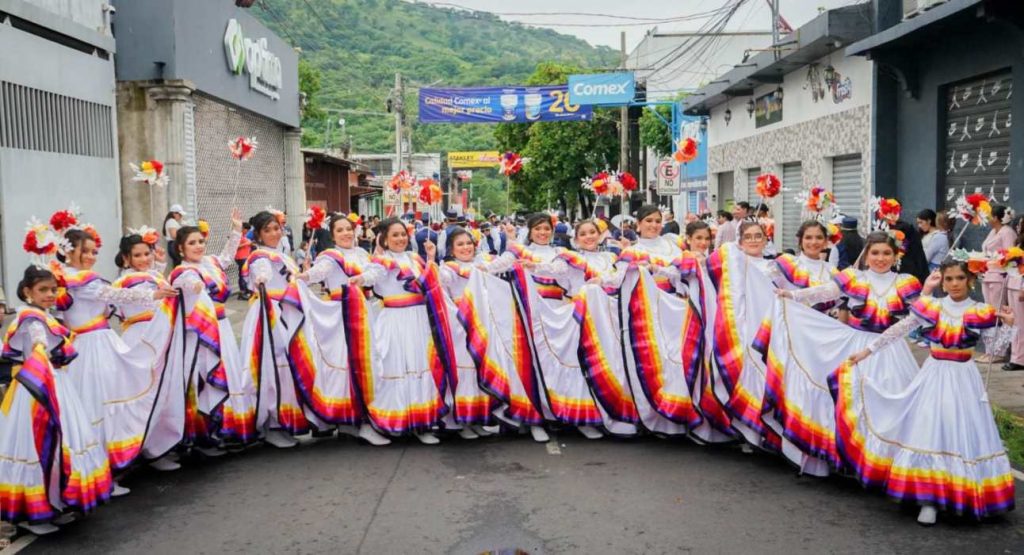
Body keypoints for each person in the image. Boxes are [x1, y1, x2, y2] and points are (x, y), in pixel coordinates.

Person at [842, 261, 1015, 525]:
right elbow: (898, 330)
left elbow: (994, 348)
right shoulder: (931, 307)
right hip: (933, 373)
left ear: (971, 280)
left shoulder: (981, 311)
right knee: (929, 427)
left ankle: (962, 492)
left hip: (964, 377)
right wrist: (868, 351)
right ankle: (928, 499)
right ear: (942, 282)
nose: (954, 283)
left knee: (961, 429)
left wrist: (1009, 326)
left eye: (960, 278)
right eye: (949, 279)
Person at [56, 227, 176, 493]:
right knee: (100, 406)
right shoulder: (79, 280)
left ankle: (108, 469)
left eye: (93, 251)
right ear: (68, 250)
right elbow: (115, 295)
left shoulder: (67, 277)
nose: (90, 256)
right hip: (91, 348)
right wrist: (152, 295)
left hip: (96, 343)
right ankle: (102, 475)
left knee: (104, 404)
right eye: (84, 251)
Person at [0, 266, 113, 535]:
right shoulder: (32, 320)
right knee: (41, 445)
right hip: (37, 389)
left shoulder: (45, 316)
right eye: (42, 290)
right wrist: (40, 347)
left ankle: (56, 502)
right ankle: (33, 514)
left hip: (56, 384)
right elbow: (38, 343)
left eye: (52, 289)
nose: (50, 294)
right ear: (27, 292)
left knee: (62, 444)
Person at [297, 212, 392, 446]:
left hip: (363, 310)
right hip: (341, 315)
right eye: (339, 230)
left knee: (366, 362)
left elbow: (372, 277)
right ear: (332, 235)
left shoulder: (362, 254)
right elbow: (316, 274)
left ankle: (360, 419)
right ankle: (353, 421)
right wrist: (303, 275)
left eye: (349, 228)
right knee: (347, 364)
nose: (346, 233)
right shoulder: (329, 257)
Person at [978, 205, 1017, 363]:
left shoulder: (1007, 232)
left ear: (996, 217)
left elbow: (1010, 255)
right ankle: (990, 350)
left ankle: (999, 351)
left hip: (1000, 276)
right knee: (990, 313)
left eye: (989, 215)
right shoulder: (993, 232)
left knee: (999, 313)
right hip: (987, 274)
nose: (987, 218)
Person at [1006, 216, 1024, 372]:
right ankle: (1015, 355)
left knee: (1020, 324)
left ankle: (1019, 358)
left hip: (1020, 285)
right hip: (1012, 282)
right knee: (1014, 322)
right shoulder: (1017, 243)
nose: (1018, 227)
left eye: (1020, 224)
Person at [234, 222, 253, 300]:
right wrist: (247, 243)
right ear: (243, 229)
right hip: (241, 257)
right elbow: (235, 246)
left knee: (244, 274)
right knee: (242, 275)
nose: (247, 231)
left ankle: (245, 290)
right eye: (246, 229)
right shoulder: (238, 236)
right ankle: (243, 292)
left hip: (245, 256)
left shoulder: (243, 236)